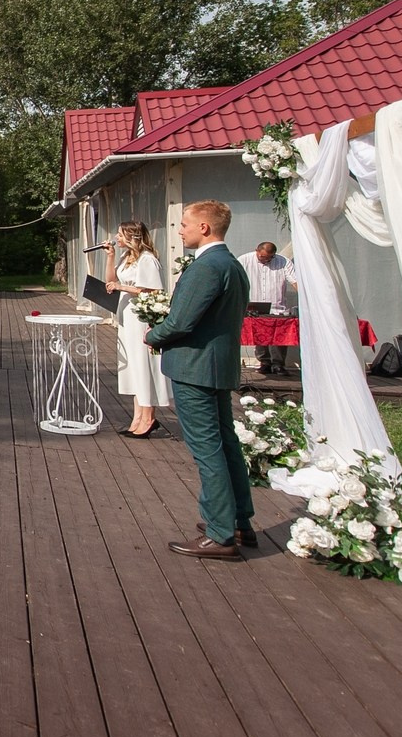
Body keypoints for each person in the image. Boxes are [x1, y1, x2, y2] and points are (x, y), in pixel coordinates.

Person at [145, 200, 254, 560]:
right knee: (225, 443)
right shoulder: (233, 265)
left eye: (184, 224)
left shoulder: (206, 267)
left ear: (204, 228)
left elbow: (180, 322)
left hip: (195, 368)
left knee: (207, 449)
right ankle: (238, 521)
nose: (180, 230)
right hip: (218, 366)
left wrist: (152, 335)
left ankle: (221, 533)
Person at [105, 221, 171, 439]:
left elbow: (151, 290)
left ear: (132, 236)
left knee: (144, 364)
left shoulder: (148, 259)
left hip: (141, 318)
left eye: (121, 234)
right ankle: (137, 417)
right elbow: (111, 281)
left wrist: (121, 287)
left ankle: (148, 417)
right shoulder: (126, 258)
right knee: (133, 366)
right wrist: (111, 256)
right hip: (127, 318)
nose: (117, 237)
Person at [242, 241, 298, 375]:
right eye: (262, 257)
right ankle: (264, 363)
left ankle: (278, 364)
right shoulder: (244, 260)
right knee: (260, 335)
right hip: (255, 307)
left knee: (279, 336)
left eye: (269, 258)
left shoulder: (283, 262)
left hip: (277, 306)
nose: (266, 260)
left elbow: (295, 281)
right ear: (256, 251)